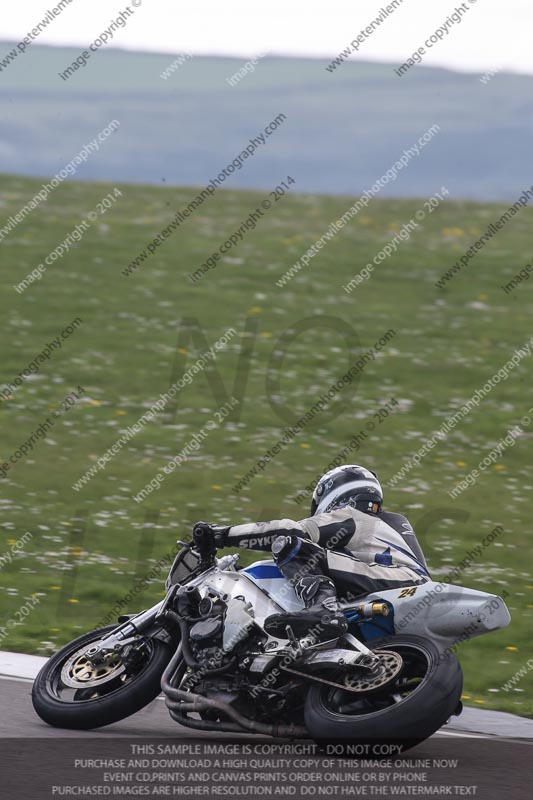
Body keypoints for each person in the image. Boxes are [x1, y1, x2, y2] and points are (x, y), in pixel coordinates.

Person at [193, 465, 430, 640]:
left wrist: (222, 535)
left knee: (290, 544)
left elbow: (289, 530)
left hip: (398, 582)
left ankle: (323, 610)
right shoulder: (390, 527)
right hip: (407, 592)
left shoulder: (355, 516)